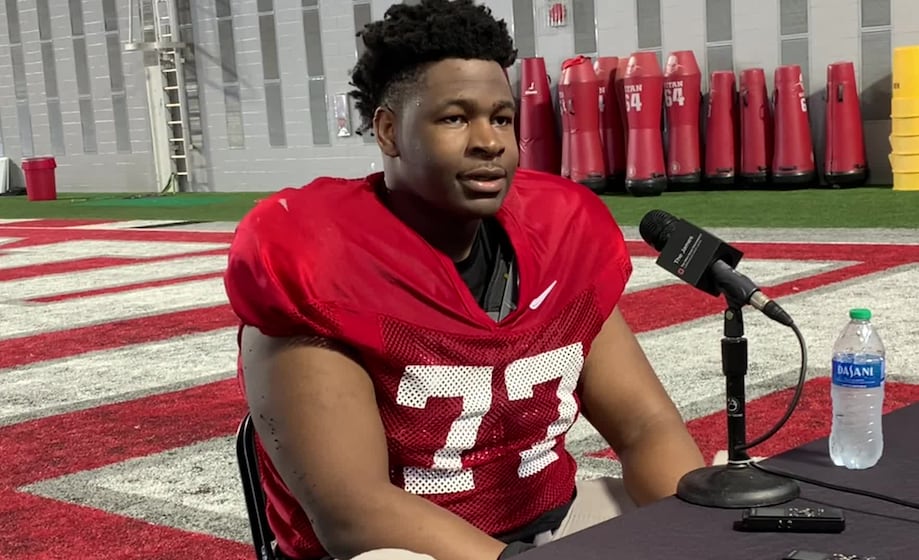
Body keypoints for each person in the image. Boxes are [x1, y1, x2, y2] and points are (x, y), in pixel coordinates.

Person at [223, 1, 705, 559]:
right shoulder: (318, 260)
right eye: (455, 118)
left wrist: (697, 532)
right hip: (400, 549)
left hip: (555, 518)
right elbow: (352, 511)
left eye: (501, 118)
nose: (490, 141)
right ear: (388, 131)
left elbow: (646, 426)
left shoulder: (561, 235)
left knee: (723, 507)